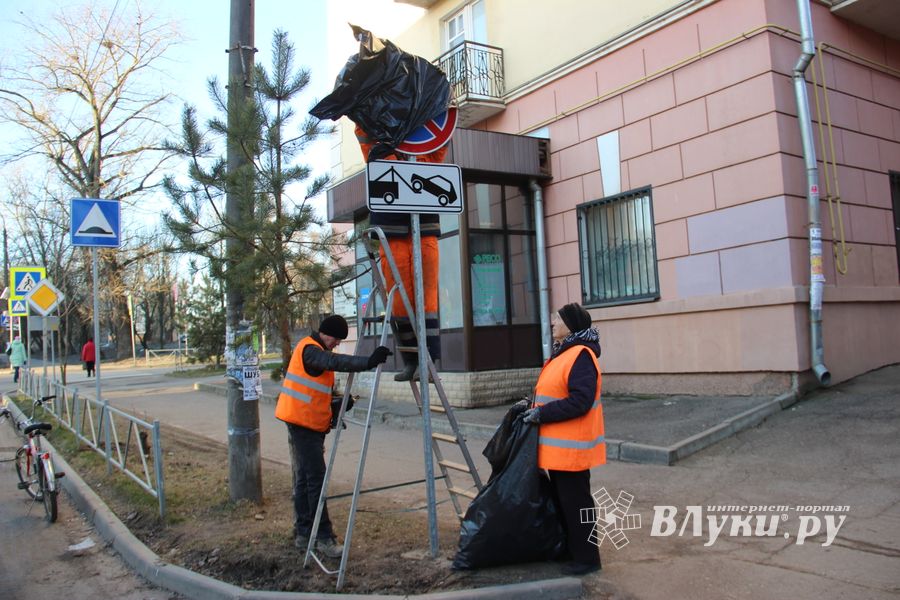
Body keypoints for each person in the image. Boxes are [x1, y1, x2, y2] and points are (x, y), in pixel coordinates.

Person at [275, 315, 392, 558]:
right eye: (336, 339)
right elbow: (332, 361)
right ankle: (324, 538)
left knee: (306, 480)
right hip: (302, 424)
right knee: (316, 480)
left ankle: (304, 533)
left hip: (306, 422)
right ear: (326, 333)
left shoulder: (311, 349)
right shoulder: (310, 349)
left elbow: (312, 390)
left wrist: (336, 404)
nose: (337, 343)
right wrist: (367, 361)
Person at [356, 124, 445, 382]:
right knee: (398, 302)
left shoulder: (424, 142)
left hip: (424, 230)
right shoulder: (378, 147)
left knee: (426, 300)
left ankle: (427, 361)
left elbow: (439, 148)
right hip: (392, 232)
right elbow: (364, 136)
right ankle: (410, 359)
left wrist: (438, 116)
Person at [522, 302, 605, 576]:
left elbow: (580, 400)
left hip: (573, 451)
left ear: (571, 324)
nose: (552, 322)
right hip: (558, 451)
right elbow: (553, 392)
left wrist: (542, 414)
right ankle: (573, 552)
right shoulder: (563, 354)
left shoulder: (580, 354)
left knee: (578, 506)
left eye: (557, 319)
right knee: (565, 504)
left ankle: (588, 559)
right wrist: (531, 406)